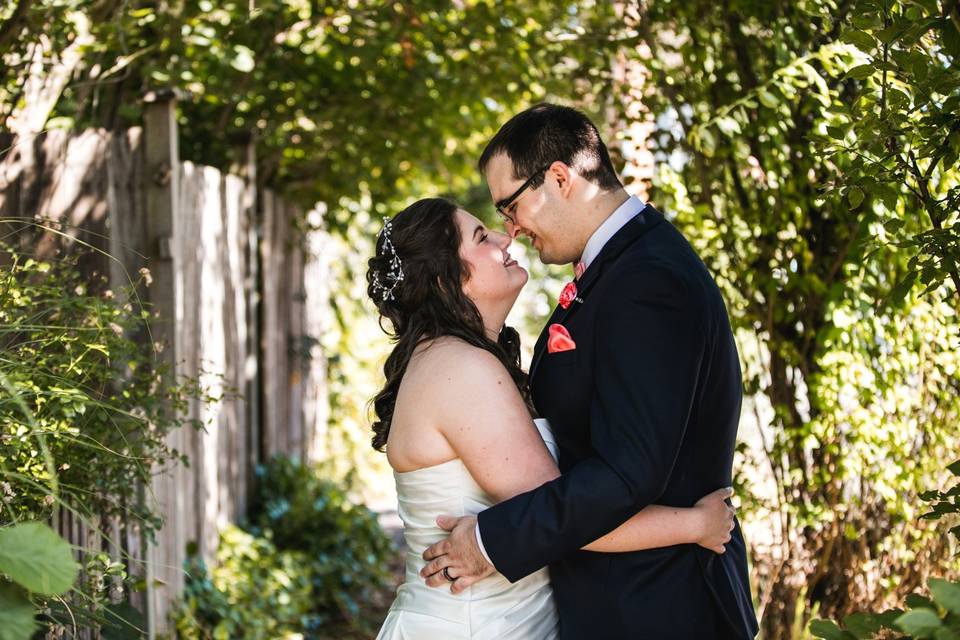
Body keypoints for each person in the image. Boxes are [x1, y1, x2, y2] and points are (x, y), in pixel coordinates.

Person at [420, 104, 759, 639]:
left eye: (510, 207)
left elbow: (630, 472)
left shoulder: (648, 280)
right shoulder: (618, 269)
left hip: (658, 608)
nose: (511, 230)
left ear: (559, 178)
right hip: (620, 604)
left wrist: (492, 542)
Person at [367, 197, 737, 639]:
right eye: (482, 237)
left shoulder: (456, 359)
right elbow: (566, 516)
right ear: (448, 280)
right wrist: (697, 525)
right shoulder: (460, 369)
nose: (506, 237)